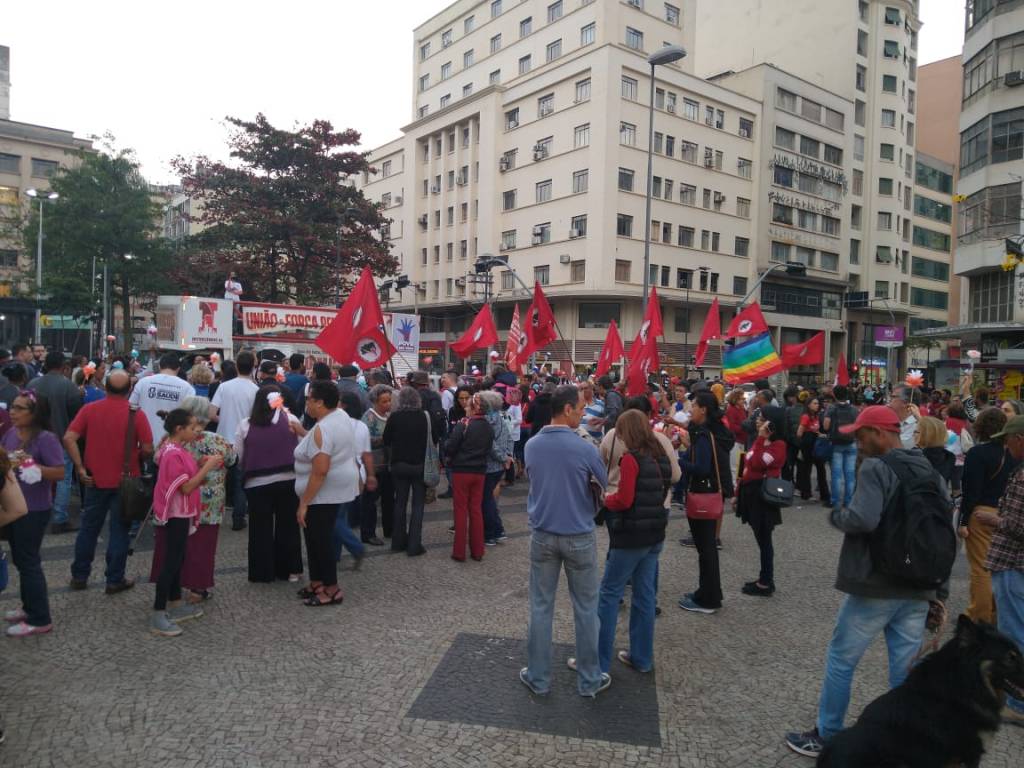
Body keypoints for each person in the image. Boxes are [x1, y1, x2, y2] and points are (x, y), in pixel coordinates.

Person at [784, 405, 952, 758]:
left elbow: (862, 518)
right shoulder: (929, 469)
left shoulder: (877, 467)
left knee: (842, 660)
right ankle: (911, 739)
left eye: (861, 436)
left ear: (879, 433)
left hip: (877, 584)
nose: (858, 443)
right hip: (919, 586)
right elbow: (944, 530)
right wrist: (939, 590)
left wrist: (837, 516)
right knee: (905, 670)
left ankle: (827, 735)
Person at [521, 385, 611, 697]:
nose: (584, 413)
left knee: (541, 606)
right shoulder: (586, 447)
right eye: (581, 408)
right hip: (579, 534)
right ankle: (589, 680)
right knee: (586, 608)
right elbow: (603, 486)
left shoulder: (532, 445)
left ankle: (538, 677)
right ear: (568, 409)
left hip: (543, 534)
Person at [593, 410, 671, 676]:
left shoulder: (631, 459)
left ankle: (598, 662)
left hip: (631, 535)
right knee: (645, 596)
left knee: (609, 594)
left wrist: (607, 499)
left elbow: (624, 499)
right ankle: (642, 657)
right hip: (655, 532)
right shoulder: (659, 452)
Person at [65, 370, 153, 594]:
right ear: (129, 390)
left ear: (105, 387)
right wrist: (138, 456)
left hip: (93, 478)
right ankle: (114, 579)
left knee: (88, 529)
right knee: (119, 530)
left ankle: (79, 575)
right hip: (125, 481)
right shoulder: (136, 414)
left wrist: (79, 466)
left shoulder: (90, 409)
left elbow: (69, 438)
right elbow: (148, 449)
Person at [149, 396, 235, 603]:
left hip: (176, 506)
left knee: (174, 547)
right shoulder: (218, 440)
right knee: (202, 548)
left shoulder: (171, 441)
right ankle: (197, 589)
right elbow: (232, 460)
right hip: (208, 503)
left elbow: (156, 460)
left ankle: (172, 589)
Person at [2, 392, 65, 636]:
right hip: (12, 506)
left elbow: (59, 472)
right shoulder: (10, 433)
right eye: (13, 407)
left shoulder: (46, 439)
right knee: (20, 559)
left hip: (34, 508)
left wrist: (32, 465)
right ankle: (29, 607)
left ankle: (40, 618)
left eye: (20, 408)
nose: (13, 412)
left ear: (34, 413)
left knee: (29, 563)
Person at [294, 380, 359, 607]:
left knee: (320, 540)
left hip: (324, 492)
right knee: (313, 538)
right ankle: (317, 581)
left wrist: (304, 502)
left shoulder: (324, 427)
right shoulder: (338, 417)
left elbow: (320, 470)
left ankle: (332, 589)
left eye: (309, 399)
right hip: (334, 487)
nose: (306, 404)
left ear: (320, 402)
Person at [979, 414, 1024, 726]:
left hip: (1012, 560)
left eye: (1008, 439)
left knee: (1015, 633)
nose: (1005, 446)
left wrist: (994, 520)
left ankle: (1018, 702)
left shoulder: (1022, 477)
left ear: (1019, 439)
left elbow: (1019, 525)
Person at [235, 385, 303, 583]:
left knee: (259, 529)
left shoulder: (245, 424)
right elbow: (301, 448)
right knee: (288, 526)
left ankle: (261, 572)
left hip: (257, 483)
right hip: (288, 479)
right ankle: (290, 570)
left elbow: (238, 456)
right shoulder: (291, 420)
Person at [678, 391, 735, 615]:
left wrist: (678, 462)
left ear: (704, 409)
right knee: (707, 546)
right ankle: (707, 592)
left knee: (706, 548)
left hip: (703, 493)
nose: (690, 408)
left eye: (693, 404)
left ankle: (709, 599)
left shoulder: (703, 434)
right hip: (713, 493)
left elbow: (701, 467)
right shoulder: (717, 432)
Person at [959, 406, 1015, 625]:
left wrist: (964, 521)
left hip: (982, 513)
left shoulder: (977, 454)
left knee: (981, 568)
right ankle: (995, 613)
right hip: (1006, 514)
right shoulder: (1013, 454)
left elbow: (971, 490)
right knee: (1000, 568)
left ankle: (979, 616)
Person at [27, 351, 82, 535]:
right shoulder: (69, 387)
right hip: (61, 437)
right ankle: (59, 518)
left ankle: (32, 511)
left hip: (33, 438)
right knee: (63, 479)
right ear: (63, 366)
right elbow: (77, 416)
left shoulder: (32, 384)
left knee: (33, 473)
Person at [736, 406, 788, 597]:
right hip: (750, 493)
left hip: (763, 497)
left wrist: (759, 438)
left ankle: (766, 582)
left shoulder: (779, 445)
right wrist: (736, 493)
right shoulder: (762, 441)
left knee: (765, 541)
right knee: (761, 539)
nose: (758, 420)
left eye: (762, 418)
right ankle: (764, 578)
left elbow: (757, 462)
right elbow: (747, 465)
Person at [210, 351, 258, 531]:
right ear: (253, 367)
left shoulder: (224, 387)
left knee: (218, 478)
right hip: (243, 441)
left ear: (237, 366)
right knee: (239, 482)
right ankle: (239, 517)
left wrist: (223, 419)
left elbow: (210, 413)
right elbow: (256, 418)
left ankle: (214, 513)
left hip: (222, 439)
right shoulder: (256, 390)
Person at [446, 391, 494, 562]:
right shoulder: (489, 426)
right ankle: (477, 551)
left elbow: (450, 446)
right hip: (479, 471)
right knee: (476, 510)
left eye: (468, 404)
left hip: (461, 471)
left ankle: (459, 551)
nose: (465, 406)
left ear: (473, 408)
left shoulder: (464, 424)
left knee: (460, 510)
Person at [383, 386, 429, 556]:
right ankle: (414, 544)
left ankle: (398, 541)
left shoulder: (394, 417)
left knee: (400, 503)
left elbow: (386, 440)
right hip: (419, 465)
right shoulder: (425, 417)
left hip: (399, 464)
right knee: (418, 505)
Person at [128, 352, 195, 444]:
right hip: (171, 444)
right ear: (178, 369)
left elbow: (131, 408)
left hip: (143, 441)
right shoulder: (187, 388)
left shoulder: (143, 382)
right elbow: (190, 417)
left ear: (160, 366)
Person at [479, 390, 514, 547]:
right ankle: (497, 531)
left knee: (486, 501)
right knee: (489, 499)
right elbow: (508, 437)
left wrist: (503, 457)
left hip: (490, 465)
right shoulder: (499, 417)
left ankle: (492, 533)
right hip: (499, 465)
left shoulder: (487, 420)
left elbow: (490, 444)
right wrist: (508, 455)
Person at [361, 385, 394, 546]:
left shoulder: (390, 415)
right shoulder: (369, 417)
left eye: (389, 400)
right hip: (374, 465)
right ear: (375, 401)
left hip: (388, 465)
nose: (387, 404)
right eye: (384, 401)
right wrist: (385, 439)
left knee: (388, 499)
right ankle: (368, 533)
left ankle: (390, 529)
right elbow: (364, 441)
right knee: (370, 502)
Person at [823, 385, 858, 509]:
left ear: (834, 395)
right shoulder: (854, 409)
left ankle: (835, 501)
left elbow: (826, 426)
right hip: (851, 443)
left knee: (836, 474)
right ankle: (848, 501)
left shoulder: (832, 408)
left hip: (837, 443)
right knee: (850, 474)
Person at [796, 397, 830, 504]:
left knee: (821, 469)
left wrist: (820, 435)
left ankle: (824, 494)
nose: (817, 405)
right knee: (807, 470)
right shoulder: (805, 417)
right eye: (814, 403)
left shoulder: (816, 416)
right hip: (807, 445)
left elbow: (816, 429)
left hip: (816, 445)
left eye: (817, 403)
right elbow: (799, 433)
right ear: (808, 405)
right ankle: (806, 494)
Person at [916, 415, 954, 486]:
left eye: (916, 432)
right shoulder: (949, 456)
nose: (913, 434)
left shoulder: (917, 456)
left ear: (927, 435)